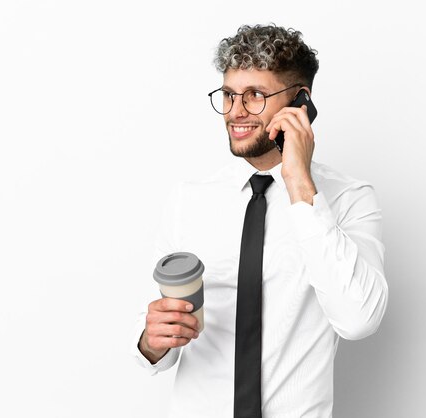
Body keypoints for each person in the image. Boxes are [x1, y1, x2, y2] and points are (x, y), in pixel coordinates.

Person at [131, 24, 388, 417]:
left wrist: (300, 184)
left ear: (301, 102)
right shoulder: (189, 200)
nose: (235, 111)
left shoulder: (348, 199)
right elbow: (154, 345)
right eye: (230, 95)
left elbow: (358, 319)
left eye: (255, 96)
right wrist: (152, 341)